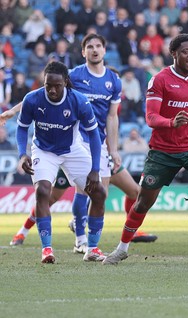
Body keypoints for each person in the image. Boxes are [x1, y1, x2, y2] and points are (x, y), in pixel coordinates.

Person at [6, 34, 155, 250]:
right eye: (90, 46)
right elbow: (42, 94)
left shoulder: (113, 80)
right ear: (83, 51)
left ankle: (111, 228)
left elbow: (112, 117)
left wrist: (113, 150)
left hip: (100, 143)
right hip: (76, 141)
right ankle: (79, 238)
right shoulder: (73, 76)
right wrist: (12, 111)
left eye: (98, 46)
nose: (94, 50)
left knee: (132, 192)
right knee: (73, 192)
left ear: (105, 50)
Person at [102, 33, 188, 265]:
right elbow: (151, 117)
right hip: (163, 151)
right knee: (143, 202)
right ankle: (122, 248)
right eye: (186, 51)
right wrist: (172, 122)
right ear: (173, 54)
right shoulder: (160, 79)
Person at [16, 61, 106, 263]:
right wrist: (23, 154)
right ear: (44, 82)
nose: (52, 90)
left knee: (99, 193)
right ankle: (47, 249)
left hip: (72, 149)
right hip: (43, 150)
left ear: (65, 82)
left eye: (57, 85)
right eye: (48, 85)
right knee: (42, 191)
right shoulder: (32, 99)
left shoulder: (79, 101)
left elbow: (94, 136)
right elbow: (22, 128)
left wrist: (94, 168)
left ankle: (92, 248)